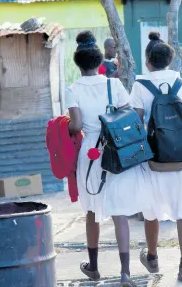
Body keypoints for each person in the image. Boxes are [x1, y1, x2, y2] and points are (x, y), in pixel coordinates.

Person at [66, 31, 153, 286]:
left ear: (79, 65)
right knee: (119, 213)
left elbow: (77, 124)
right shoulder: (113, 84)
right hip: (117, 150)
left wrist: (66, 127)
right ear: (97, 63)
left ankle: (93, 267)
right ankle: (125, 273)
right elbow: (128, 114)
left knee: (92, 211)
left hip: (90, 152)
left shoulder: (73, 89)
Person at [129, 32, 182, 283]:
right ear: (170, 61)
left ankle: (152, 256)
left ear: (148, 61)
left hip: (154, 158)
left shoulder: (140, 85)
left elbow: (135, 122)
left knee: (151, 209)